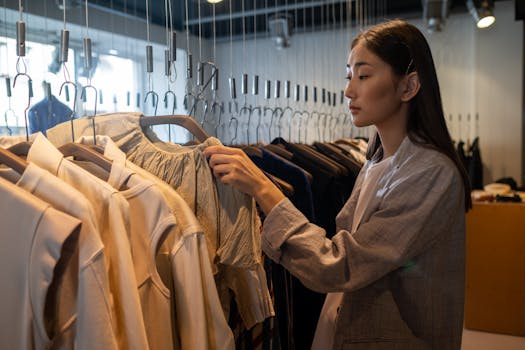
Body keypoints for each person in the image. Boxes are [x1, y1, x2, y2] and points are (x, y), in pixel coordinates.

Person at [204, 19, 471, 350]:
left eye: (363, 76)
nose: (348, 91)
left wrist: (263, 188)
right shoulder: (374, 163)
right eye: (349, 77)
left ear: (408, 86)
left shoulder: (431, 173)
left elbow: (340, 265)